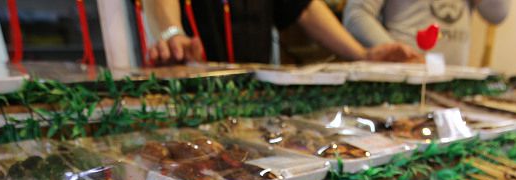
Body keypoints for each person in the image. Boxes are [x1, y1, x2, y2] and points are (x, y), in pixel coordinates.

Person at [144, 0, 422, 65]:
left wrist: (362, 54)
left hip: (253, 98)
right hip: (190, 91)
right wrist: (172, 35)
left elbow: (304, 8)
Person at [343, 0, 510, 66]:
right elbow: (357, 14)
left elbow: (496, 14)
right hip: (400, 83)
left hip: (453, 87)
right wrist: (395, 52)